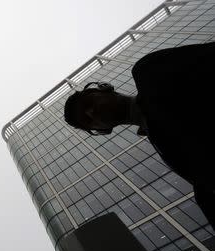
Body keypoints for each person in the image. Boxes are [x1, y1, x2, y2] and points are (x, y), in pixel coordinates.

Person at [64, 41, 215, 228]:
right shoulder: (167, 152)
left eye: (88, 103)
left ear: (104, 88)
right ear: (103, 130)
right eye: (88, 121)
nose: (91, 112)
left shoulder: (148, 72)